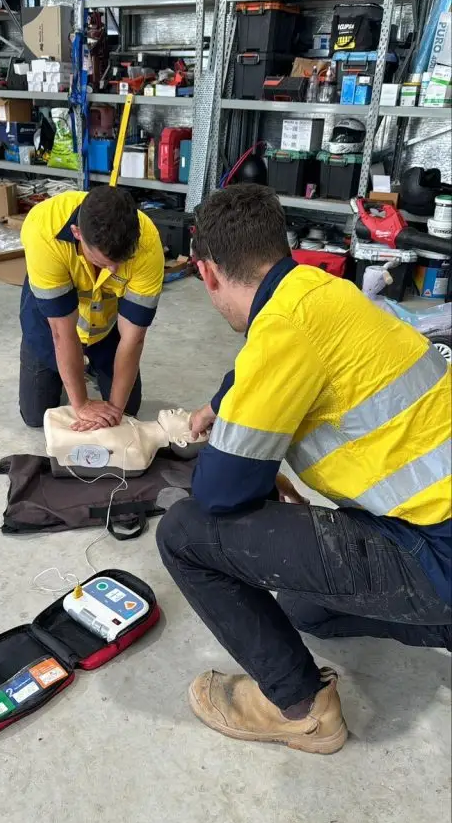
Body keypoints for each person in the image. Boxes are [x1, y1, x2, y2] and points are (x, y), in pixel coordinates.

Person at [156, 184, 451, 755]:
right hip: (436, 533)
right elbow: (253, 367)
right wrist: (218, 409)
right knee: (301, 606)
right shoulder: (321, 291)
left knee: (185, 533)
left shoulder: (281, 332)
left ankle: (298, 709)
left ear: (206, 272)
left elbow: (220, 494)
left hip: (435, 551)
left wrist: (254, 469)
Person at [19, 186, 164, 431]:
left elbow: (134, 338)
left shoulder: (147, 244)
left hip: (105, 322)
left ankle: (91, 364)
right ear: (76, 233)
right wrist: (82, 404)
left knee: (129, 409)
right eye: (103, 261)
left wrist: (115, 412)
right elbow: (61, 332)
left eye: (121, 261)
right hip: (53, 323)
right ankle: (71, 371)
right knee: (36, 415)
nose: (114, 271)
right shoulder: (43, 229)